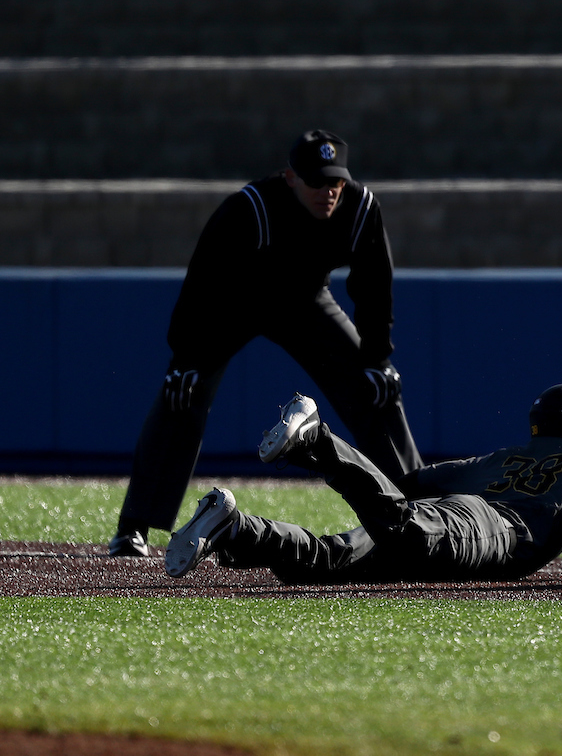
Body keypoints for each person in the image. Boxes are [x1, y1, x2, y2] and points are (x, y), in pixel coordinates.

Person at [109, 130, 423, 557]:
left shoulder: (360, 207)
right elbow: (202, 285)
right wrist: (186, 357)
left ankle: (422, 510)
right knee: (182, 390)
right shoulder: (250, 207)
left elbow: (374, 286)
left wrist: (378, 357)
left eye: (335, 182)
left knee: (376, 387)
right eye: (316, 181)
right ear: (291, 178)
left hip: (307, 300)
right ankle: (134, 527)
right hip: (235, 303)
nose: (327, 192)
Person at [164, 385, 562, 583]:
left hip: (453, 509)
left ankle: (236, 528)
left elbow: (416, 482)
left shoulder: (505, 455)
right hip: (491, 530)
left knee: (329, 560)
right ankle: (318, 441)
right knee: (403, 529)